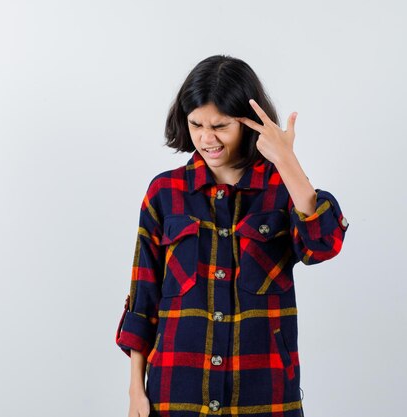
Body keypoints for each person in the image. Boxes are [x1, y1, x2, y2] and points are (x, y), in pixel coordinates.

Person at [115, 54, 349, 417]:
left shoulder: (281, 188)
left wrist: (287, 161)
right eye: (196, 125)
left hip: (264, 395)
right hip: (176, 393)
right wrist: (135, 391)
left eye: (220, 126)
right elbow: (143, 300)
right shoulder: (165, 193)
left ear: (247, 123)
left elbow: (323, 245)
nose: (206, 139)